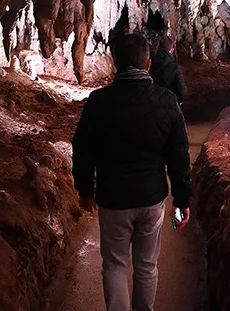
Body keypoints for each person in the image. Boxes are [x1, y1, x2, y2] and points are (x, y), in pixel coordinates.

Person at [72, 33, 192, 311]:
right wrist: (182, 199)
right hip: (151, 198)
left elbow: (83, 147)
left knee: (114, 265)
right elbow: (179, 155)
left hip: (113, 199)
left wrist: (85, 190)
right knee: (147, 266)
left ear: (115, 63)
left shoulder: (98, 102)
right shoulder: (166, 101)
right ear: (148, 63)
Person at [149, 36, 187, 104]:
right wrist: (178, 101)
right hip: (169, 103)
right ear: (171, 50)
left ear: (158, 47)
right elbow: (182, 91)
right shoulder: (175, 68)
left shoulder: (149, 63)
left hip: (150, 102)